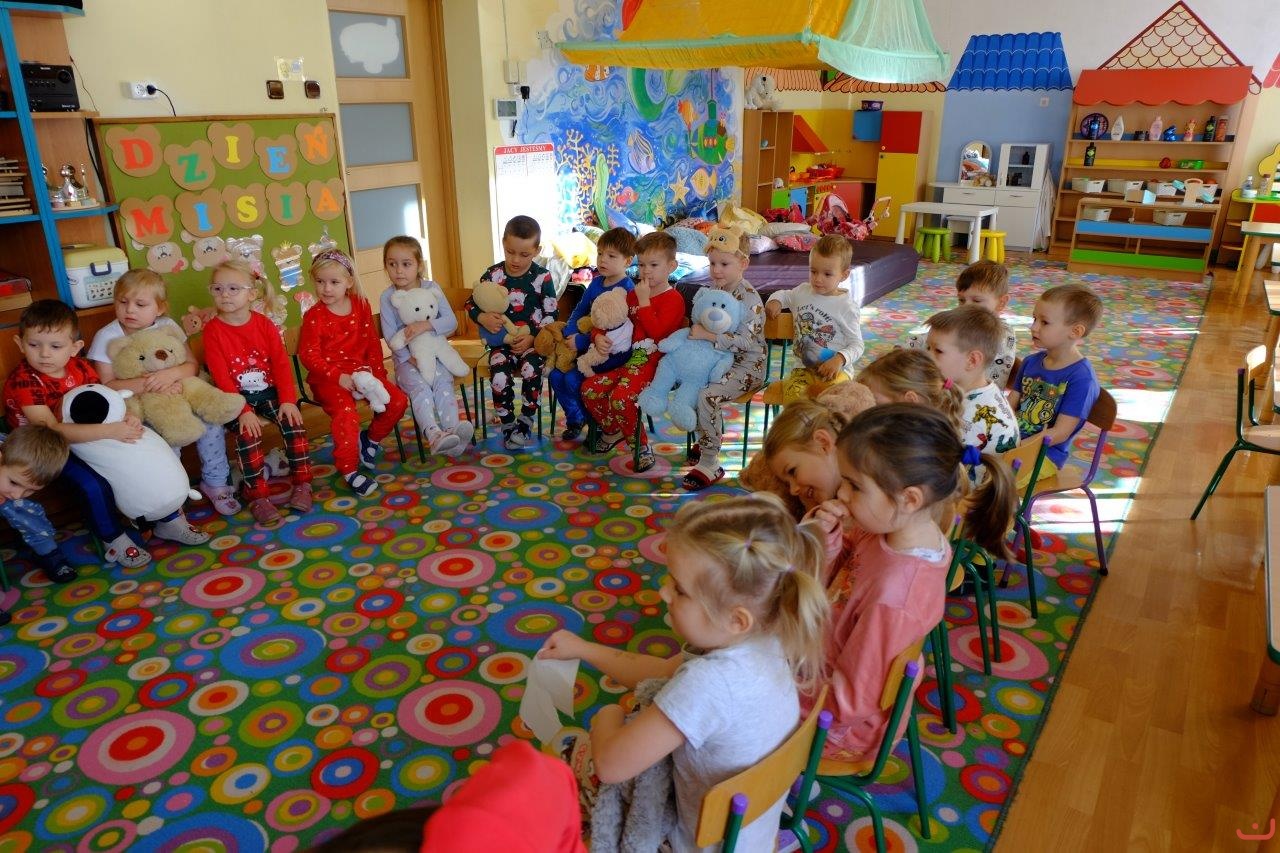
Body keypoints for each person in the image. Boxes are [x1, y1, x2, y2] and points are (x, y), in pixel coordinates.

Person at [540, 492, 829, 853]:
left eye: (679, 589)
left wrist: (607, 715)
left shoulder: (707, 684)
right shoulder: (770, 640)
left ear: (736, 619)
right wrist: (583, 649)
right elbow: (663, 672)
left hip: (694, 844)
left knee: (565, 759)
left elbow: (612, 765)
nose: (664, 593)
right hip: (753, 837)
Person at [807, 404, 1015, 759]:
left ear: (909, 499)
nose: (841, 494)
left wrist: (777, 690)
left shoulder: (894, 597)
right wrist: (828, 538)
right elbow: (837, 577)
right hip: (821, 664)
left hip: (838, 730)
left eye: (854, 485)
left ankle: (783, 784)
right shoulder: (895, 531)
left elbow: (849, 702)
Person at [3, 300, 190, 567]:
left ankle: (168, 519)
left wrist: (126, 416)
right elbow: (52, 431)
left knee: (139, 452)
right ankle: (111, 537)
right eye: (34, 345)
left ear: (75, 347)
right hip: (46, 449)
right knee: (93, 484)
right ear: (20, 344)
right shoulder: (25, 380)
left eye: (55, 346)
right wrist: (111, 430)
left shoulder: (80, 367)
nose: (44, 354)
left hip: (89, 435)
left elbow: (103, 399)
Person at [86, 268, 240, 516]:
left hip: (179, 391)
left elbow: (191, 366)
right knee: (166, 438)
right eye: (123, 302)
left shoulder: (167, 325)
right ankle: (173, 494)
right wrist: (152, 384)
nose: (130, 310)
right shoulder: (107, 336)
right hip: (142, 405)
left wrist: (169, 376)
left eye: (140, 304)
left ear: (159, 308)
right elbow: (108, 385)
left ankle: (216, 482)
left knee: (211, 424)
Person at [201, 259, 313, 525]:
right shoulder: (213, 331)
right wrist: (243, 411)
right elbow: (221, 377)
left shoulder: (264, 325)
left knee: (293, 424)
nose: (224, 294)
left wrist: (288, 400)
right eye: (218, 289)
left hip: (269, 393)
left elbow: (281, 365)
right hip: (234, 399)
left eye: (233, 288)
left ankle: (303, 483)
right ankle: (258, 496)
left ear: (251, 294)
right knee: (247, 434)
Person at [299, 249, 408, 497]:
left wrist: (379, 376)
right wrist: (337, 376)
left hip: (362, 374)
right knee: (346, 415)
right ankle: (349, 470)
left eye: (334, 282)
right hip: (328, 379)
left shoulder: (360, 304)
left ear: (348, 281)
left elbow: (371, 344)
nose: (326, 288)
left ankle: (370, 439)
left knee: (398, 401)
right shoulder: (314, 316)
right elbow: (309, 355)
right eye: (320, 282)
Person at [580, 231, 685, 472]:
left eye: (654, 265)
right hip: (625, 362)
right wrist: (597, 336)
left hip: (656, 366)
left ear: (671, 266)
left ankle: (640, 446)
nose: (646, 271)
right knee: (590, 389)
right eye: (642, 265)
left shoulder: (673, 299)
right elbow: (607, 319)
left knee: (621, 398)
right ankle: (614, 430)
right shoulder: (631, 295)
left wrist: (644, 301)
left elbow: (658, 334)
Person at [683, 225, 766, 491]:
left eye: (724, 264)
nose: (716, 270)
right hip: (718, 360)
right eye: (712, 263)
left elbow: (745, 342)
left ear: (743, 264)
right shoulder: (714, 291)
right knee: (692, 384)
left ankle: (710, 462)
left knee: (707, 395)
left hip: (748, 366)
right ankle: (708, 436)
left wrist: (708, 335)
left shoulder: (749, 298)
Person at [466, 215, 558, 450]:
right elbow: (470, 303)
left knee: (532, 370)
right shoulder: (493, 274)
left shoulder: (542, 277)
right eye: (510, 252)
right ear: (503, 243)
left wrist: (533, 336)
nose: (516, 259)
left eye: (524, 254)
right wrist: (482, 317)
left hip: (531, 345)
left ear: (537, 250)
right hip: (500, 344)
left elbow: (551, 314)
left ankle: (525, 421)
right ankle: (508, 423)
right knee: (499, 376)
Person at [380, 235, 472, 458]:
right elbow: (390, 335)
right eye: (392, 264)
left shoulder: (432, 288)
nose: (399, 271)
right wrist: (408, 357)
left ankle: (452, 430)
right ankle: (433, 434)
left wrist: (426, 325)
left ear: (419, 265)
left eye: (406, 264)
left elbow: (451, 322)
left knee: (443, 383)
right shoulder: (388, 297)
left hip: (437, 355)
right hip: (405, 362)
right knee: (420, 388)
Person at [550, 227, 636, 442]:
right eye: (600, 253)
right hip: (586, 346)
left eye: (611, 256)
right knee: (555, 376)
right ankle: (576, 419)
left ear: (627, 261)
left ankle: (597, 423)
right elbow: (579, 310)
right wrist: (571, 332)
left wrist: (583, 340)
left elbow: (620, 332)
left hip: (609, 354)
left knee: (572, 379)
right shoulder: (596, 283)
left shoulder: (627, 289)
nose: (602, 259)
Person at [1009, 283, 1102, 477]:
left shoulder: (1082, 378)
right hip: (1012, 441)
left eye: (1044, 322)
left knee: (993, 481)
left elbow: (1061, 432)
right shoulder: (1030, 362)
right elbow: (1010, 406)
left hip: (1044, 456)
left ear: (1075, 332)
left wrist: (1019, 447)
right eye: (1034, 319)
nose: (1033, 327)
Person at [764, 233, 865, 403]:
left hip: (835, 372)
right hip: (802, 370)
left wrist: (839, 359)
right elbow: (784, 295)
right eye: (813, 271)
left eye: (827, 274)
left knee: (832, 401)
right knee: (796, 399)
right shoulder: (802, 292)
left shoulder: (846, 306)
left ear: (844, 275)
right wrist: (775, 301)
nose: (818, 279)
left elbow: (857, 345)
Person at [905, 259, 1018, 388]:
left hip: (975, 397)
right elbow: (934, 339)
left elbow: (948, 344)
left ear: (1001, 302)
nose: (966, 307)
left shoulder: (1002, 333)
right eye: (962, 300)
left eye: (976, 301)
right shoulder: (964, 325)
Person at [925, 305, 1019, 454]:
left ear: (972, 360)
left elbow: (937, 458)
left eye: (938, 351)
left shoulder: (970, 421)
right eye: (928, 348)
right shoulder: (980, 389)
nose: (927, 357)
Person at [0, 425, 76, 590]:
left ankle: (49, 554)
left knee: (29, 514)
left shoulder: (13, 481)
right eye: (14, 483)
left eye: (30, 490)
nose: (18, 494)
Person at [856, 348, 964, 433]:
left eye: (874, 401)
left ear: (909, 402)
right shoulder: (924, 431)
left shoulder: (910, 447)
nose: (866, 407)